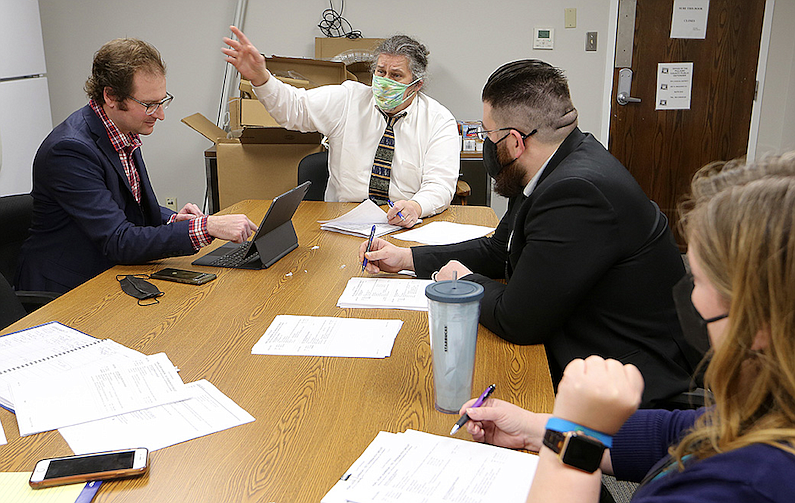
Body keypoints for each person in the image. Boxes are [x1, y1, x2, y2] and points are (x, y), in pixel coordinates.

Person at [360, 59, 698, 407]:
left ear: (515, 141)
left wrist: (465, 280)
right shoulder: (558, 161)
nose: (487, 144)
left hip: (629, 379)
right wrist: (406, 258)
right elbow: (499, 250)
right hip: (586, 342)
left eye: (488, 135)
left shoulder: (577, 192)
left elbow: (516, 319)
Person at [458, 153, 795, 502]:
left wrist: (574, 430)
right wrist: (534, 429)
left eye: (698, 279)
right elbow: (671, 434)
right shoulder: (768, 407)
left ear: (756, 322)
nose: (688, 293)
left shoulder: (741, 487)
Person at [16, 38, 257, 293]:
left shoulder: (123, 129)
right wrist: (205, 226)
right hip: (64, 290)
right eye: (149, 105)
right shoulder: (69, 150)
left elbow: (125, 208)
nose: (161, 114)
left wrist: (173, 218)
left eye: (162, 101)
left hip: (108, 274)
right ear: (110, 96)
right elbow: (118, 240)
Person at [222, 26, 460, 228]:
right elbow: (295, 108)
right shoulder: (348, 99)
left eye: (396, 75)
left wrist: (416, 206)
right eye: (380, 72)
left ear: (416, 85)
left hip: (404, 223)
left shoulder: (439, 121)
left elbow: (439, 185)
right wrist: (261, 78)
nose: (385, 81)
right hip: (343, 220)